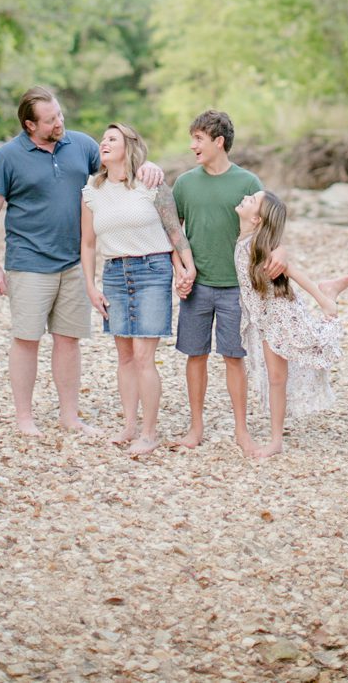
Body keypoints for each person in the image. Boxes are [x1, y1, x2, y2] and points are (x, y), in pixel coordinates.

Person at [0, 86, 163, 436]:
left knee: (68, 339)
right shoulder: (7, 157)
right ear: (30, 125)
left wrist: (147, 165)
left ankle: (69, 416)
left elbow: (120, 166)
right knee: (26, 339)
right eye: (50, 120)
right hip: (28, 261)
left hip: (74, 262)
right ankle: (24, 418)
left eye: (60, 114)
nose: (59, 123)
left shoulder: (80, 145)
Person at [171, 109, 285, 457]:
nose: (193, 145)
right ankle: (195, 427)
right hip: (197, 286)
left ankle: (241, 430)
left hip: (237, 288)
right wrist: (180, 270)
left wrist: (281, 251)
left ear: (218, 141)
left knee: (234, 357)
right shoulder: (184, 184)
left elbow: (268, 228)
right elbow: (174, 234)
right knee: (195, 355)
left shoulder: (247, 183)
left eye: (199, 139)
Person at [80, 122, 196, 456]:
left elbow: (174, 231)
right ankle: (129, 426)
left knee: (144, 357)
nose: (104, 142)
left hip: (152, 270)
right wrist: (90, 286)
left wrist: (187, 267)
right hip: (114, 273)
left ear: (128, 146)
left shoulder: (150, 183)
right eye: (103, 139)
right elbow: (88, 244)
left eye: (112, 138)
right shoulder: (91, 190)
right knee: (125, 356)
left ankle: (149, 432)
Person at [234, 188, 348, 457]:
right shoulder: (245, 239)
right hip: (266, 319)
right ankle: (276, 439)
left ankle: (327, 292)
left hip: (281, 316)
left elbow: (292, 272)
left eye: (251, 200)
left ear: (256, 219)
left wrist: (321, 300)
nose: (244, 198)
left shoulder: (256, 246)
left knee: (302, 354)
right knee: (277, 377)